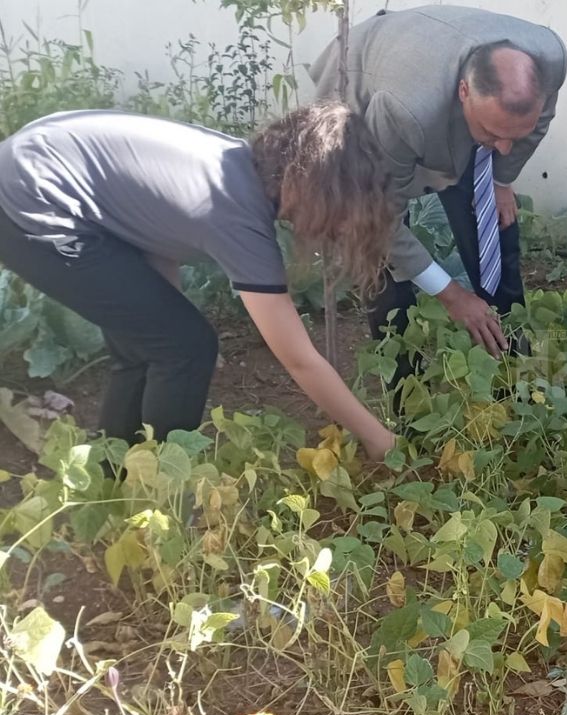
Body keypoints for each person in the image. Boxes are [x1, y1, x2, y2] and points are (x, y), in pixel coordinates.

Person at [0, 104, 398, 459]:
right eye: (347, 209)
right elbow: (299, 359)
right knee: (187, 348)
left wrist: (164, 322)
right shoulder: (239, 217)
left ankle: (115, 477)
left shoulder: (233, 163)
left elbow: (154, 236)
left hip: (36, 167)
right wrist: (377, 438)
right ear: (320, 189)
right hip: (33, 203)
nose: (344, 225)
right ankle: (164, 494)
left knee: (152, 345)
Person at [310, 5, 567, 392]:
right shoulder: (407, 108)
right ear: (464, 92)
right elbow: (381, 217)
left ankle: (510, 371)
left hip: (435, 83)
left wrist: (501, 180)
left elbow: (536, 125)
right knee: (382, 263)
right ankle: (406, 393)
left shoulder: (549, 57)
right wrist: (451, 295)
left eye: (513, 135)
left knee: (495, 230)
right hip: (361, 89)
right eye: (492, 131)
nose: (503, 146)